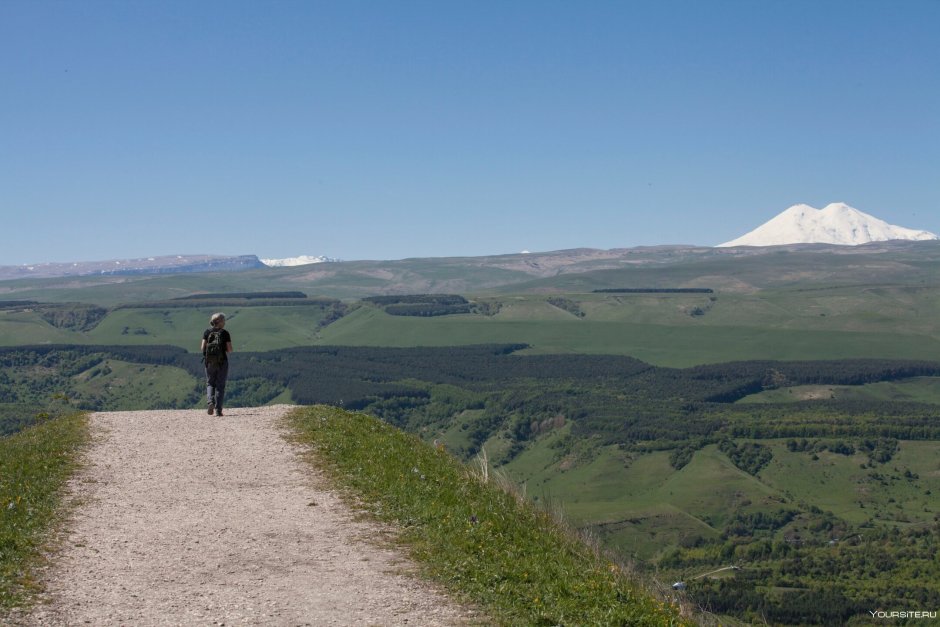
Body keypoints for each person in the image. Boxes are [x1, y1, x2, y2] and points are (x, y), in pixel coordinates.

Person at [201, 312, 233, 416]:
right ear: (220, 321)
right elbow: (230, 349)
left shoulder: (207, 332)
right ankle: (218, 410)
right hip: (222, 362)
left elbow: (202, 348)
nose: (225, 322)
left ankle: (210, 402)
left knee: (210, 383)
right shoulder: (225, 333)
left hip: (209, 362)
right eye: (224, 320)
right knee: (220, 386)